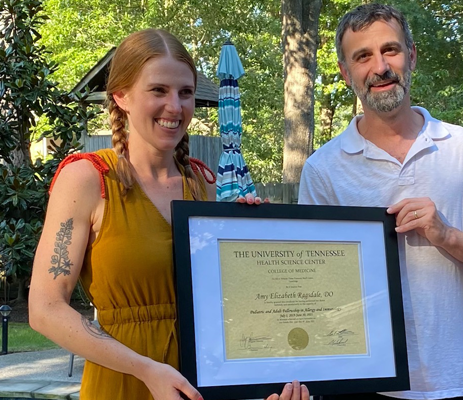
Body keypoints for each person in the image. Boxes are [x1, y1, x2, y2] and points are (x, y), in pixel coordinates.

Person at [29, 28, 300, 400]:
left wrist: (253, 241)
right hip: (125, 382)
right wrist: (146, 369)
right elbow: (44, 309)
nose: (175, 106)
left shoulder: (203, 184)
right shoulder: (87, 178)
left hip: (204, 385)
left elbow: (233, 303)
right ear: (121, 96)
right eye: (158, 90)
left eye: (185, 93)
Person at [298, 4, 463, 400]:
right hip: (358, 384)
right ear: (344, 72)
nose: (380, 67)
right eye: (363, 56)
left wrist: (446, 234)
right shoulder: (323, 169)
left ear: (413, 55)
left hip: (448, 384)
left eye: (391, 50)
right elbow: (310, 288)